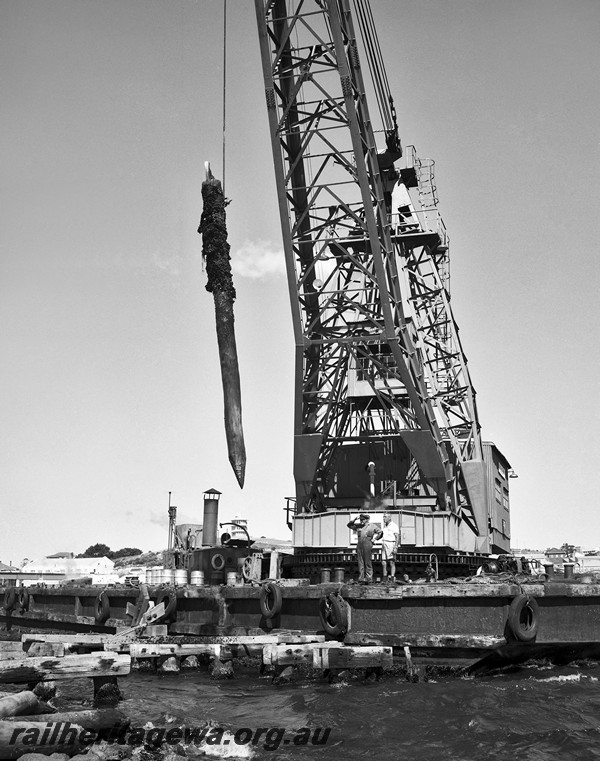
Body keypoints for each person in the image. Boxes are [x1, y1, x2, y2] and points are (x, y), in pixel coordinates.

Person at [347, 513, 383, 584]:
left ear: (367, 520)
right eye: (360, 520)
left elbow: (380, 532)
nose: (361, 521)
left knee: (367, 561)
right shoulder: (358, 526)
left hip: (368, 543)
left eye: (363, 520)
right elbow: (349, 525)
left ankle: (369, 578)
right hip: (359, 544)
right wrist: (355, 519)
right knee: (360, 562)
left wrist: (375, 539)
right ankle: (361, 578)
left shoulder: (372, 526)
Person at [380, 512, 399, 583]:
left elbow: (397, 537)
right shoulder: (385, 526)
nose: (383, 518)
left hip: (391, 543)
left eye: (385, 517)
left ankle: (392, 578)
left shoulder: (394, 526)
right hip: (384, 543)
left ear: (389, 518)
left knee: (391, 562)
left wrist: (396, 547)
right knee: (383, 562)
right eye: (383, 517)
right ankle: (384, 578)